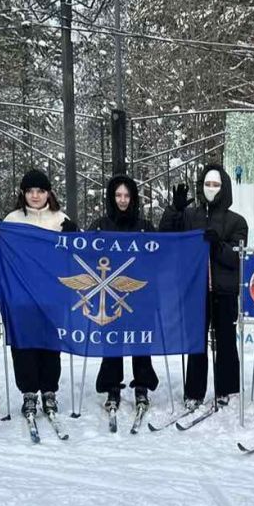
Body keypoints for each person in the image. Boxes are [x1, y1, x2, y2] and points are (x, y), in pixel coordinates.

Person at [0, 169, 78, 418]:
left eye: (40, 191)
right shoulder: (12, 220)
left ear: (49, 193)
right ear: (23, 193)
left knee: (49, 344)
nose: (35, 196)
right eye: (30, 191)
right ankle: (29, 394)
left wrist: (74, 237)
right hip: (21, 296)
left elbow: (75, 258)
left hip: (52, 295)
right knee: (24, 344)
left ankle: (49, 392)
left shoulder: (60, 219)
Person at [159, 163, 248, 408]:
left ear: (225, 188)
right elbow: (165, 235)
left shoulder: (236, 221)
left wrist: (219, 245)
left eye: (216, 184)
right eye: (207, 184)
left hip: (224, 290)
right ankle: (194, 392)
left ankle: (227, 389)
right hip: (195, 289)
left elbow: (236, 258)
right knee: (196, 341)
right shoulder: (190, 216)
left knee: (226, 340)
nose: (211, 189)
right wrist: (174, 210)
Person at [89, 174, 159, 414]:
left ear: (133, 198)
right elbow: (84, 253)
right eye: (118, 195)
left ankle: (142, 386)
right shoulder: (100, 226)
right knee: (113, 344)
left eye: (127, 195)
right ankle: (112, 387)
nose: (122, 200)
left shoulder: (145, 227)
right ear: (111, 197)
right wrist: (72, 235)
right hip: (109, 296)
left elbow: (163, 253)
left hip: (139, 296)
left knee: (140, 343)